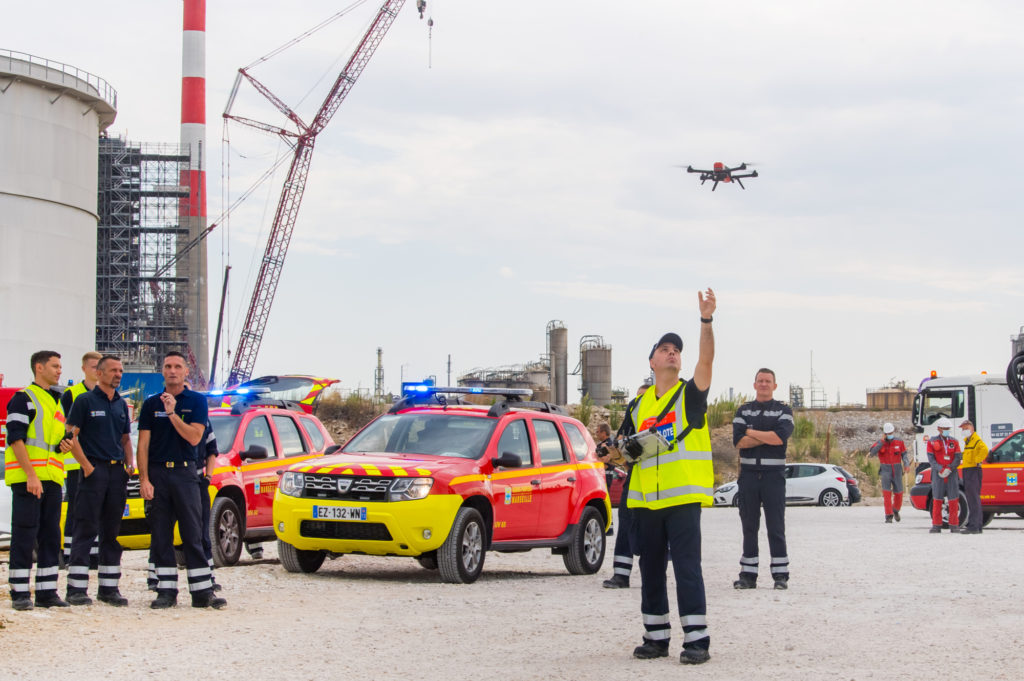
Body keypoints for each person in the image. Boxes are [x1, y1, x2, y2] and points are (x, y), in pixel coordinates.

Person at [626, 288, 716, 665]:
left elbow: (707, 362)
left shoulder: (688, 396)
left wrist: (706, 320)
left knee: (686, 569)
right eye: (665, 348)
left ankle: (696, 641)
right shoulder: (638, 405)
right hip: (646, 501)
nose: (672, 352)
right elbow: (625, 448)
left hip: (682, 500)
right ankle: (655, 637)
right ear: (651, 360)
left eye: (676, 350)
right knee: (649, 570)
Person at [137, 351, 225, 609]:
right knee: (161, 535)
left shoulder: (196, 401)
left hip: (186, 475)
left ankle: (202, 593)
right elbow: (143, 445)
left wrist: (173, 414)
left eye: (177, 366)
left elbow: (195, 438)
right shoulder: (151, 404)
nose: (172, 371)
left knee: (193, 534)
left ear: (186, 372)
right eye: (167, 366)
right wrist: (144, 479)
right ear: (162, 371)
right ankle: (166, 592)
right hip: (158, 474)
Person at [64, 354, 133, 606]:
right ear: (99, 373)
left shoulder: (121, 405)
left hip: (117, 473)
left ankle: (108, 588)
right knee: (85, 528)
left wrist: (130, 464)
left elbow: (126, 438)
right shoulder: (84, 401)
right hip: (94, 472)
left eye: (120, 370)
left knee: (111, 532)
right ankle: (76, 589)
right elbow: (71, 436)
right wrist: (87, 467)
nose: (118, 374)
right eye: (113, 370)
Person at [4, 351, 71, 610]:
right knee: (24, 535)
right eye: (55, 366)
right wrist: (31, 475)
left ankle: (47, 593)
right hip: (28, 479)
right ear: (39, 367)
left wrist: (63, 446)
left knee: (51, 536)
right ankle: (20, 594)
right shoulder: (24, 398)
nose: (59, 371)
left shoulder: (55, 401)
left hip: (52, 479)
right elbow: (16, 438)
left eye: (60, 366)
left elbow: (49, 444)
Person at [732, 368, 795, 590]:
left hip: (774, 477)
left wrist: (751, 432)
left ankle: (780, 575)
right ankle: (748, 575)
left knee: (775, 526)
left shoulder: (784, 410)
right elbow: (738, 442)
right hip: (748, 476)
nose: (764, 384)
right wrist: (765, 436)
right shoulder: (743, 410)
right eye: (760, 380)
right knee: (749, 526)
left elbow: (779, 438)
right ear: (754, 384)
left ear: (775, 385)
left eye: (768, 381)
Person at [600, 385, 649, 589]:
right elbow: (619, 446)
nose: (639, 402)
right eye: (637, 398)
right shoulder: (632, 413)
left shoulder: (660, 417)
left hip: (659, 481)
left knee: (652, 529)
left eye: (643, 397)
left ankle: (652, 574)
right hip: (634, 477)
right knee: (626, 524)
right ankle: (621, 574)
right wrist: (614, 454)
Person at [59, 350, 102, 567]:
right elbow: (68, 430)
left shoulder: (107, 394)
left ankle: (93, 555)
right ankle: (70, 554)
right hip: (77, 463)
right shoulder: (72, 394)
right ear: (84, 368)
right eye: (94, 366)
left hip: (99, 462)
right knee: (77, 509)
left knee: (96, 509)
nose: (97, 370)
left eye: (100, 366)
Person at [868, 422, 909, 523]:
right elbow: (872, 453)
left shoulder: (899, 442)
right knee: (886, 493)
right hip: (885, 469)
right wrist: (882, 442)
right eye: (887, 433)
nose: (889, 434)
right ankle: (888, 515)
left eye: (891, 432)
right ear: (884, 433)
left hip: (897, 469)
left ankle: (895, 509)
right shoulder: (879, 443)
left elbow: (904, 455)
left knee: (899, 492)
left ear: (893, 431)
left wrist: (906, 464)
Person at [927, 417, 962, 533]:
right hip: (938, 475)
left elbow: (958, 457)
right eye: (945, 429)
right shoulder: (932, 441)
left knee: (953, 500)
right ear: (939, 429)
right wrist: (940, 469)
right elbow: (931, 459)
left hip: (952, 474)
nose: (947, 431)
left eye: (948, 429)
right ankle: (936, 525)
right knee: (937, 499)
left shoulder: (954, 441)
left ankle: (954, 525)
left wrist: (950, 468)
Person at [959, 419, 988, 534]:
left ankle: (974, 526)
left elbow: (984, 450)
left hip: (973, 471)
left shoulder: (975, 440)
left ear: (971, 428)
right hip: (968, 470)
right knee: (972, 499)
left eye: (965, 428)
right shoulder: (968, 441)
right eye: (962, 429)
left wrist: (977, 461)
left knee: (973, 498)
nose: (963, 431)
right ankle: (977, 525)